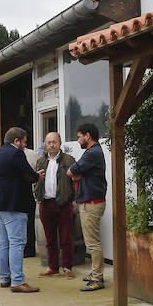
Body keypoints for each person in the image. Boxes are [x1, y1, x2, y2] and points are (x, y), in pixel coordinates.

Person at [0, 127, 40, 292]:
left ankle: (4, 278)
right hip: (13, 205)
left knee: (4, 243)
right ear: (17, 141)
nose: (25, 145)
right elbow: (29, 174)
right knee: (17, 243)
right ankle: (18, 281)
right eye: (24, 141)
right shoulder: (16, 153)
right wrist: (38, 176)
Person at [68, 122, 108, 292]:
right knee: (92, 241)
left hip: (92, 203)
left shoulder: (92, 153)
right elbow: (76, 174)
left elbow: (72, 171)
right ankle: (95, 272)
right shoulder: (92, 153)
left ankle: (98, 278)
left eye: (79, 136)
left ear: (88, 136)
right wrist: (78, 175)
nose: (78, 140)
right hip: (89, 202)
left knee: (93, 243)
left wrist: (76, 174)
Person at [33, 132, 77, 279]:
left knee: (66, 238)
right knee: (50, 239)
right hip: (45, 204)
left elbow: (75, 182)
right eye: (49, 142)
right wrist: (38, 196)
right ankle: (53, 267)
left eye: (54, 142)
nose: (51, 145)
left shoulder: (69, 160)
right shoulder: (41, 161)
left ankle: (67, 267)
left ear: (60, 143)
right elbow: (35, 180)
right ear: (46, 144)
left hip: (63, 204)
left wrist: (72, 198)